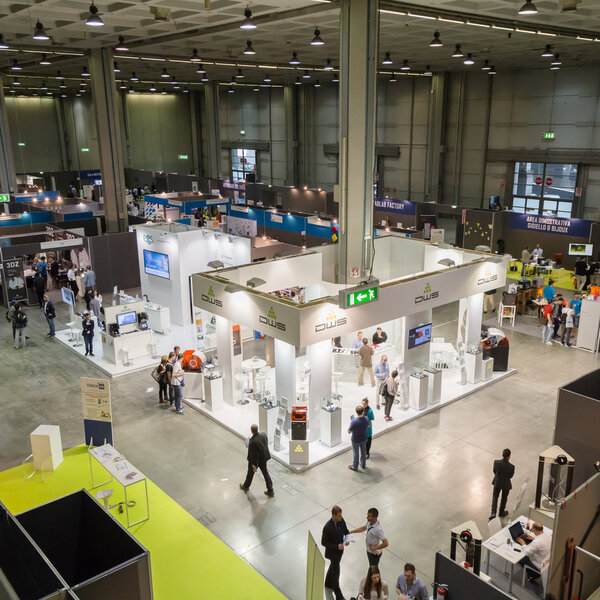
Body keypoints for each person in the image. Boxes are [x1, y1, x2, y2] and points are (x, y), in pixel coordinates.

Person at [321, 506, 350, 600]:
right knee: (336, 572)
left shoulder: (341, 520)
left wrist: (348, 538)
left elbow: (346, 531)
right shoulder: (327, 527)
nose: (341, 517)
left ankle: (327, 584)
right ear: (333, 515)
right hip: (333, 553)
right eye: (339, 516)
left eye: (341, 515)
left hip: (340, 552)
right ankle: (339, 595)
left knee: (333, 567)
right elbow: (324, 542)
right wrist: (336, 546)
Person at [239, 424, 274, 497]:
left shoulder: (253, 442)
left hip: (256, 461)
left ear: (251, 431)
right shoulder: (263, 434)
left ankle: (246, 486)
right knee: (265, 473)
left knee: (250, 473)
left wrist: (254, 466)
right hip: (264, 458)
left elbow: (254, 456)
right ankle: (270, 490)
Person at [489, 448, 515, 520]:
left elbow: (494, 471)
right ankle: (501, 512)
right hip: (506, 484)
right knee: (504, 498)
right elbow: (511, 476)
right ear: (509, 456)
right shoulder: (511, 467)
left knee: (495, 497)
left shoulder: (496, 462)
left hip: (497, 482)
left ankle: (493, 513)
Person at [348, 405, 370, 471]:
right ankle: (363, 464)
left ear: (356, 412)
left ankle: (355, 466)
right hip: (364, 438)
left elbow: (349, 431)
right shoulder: (366, 418)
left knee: (356, 453)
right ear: (363, 412)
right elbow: (368, 426)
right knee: (363, 452)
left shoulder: (354, 421)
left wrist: (352, 423)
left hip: (356, 440)